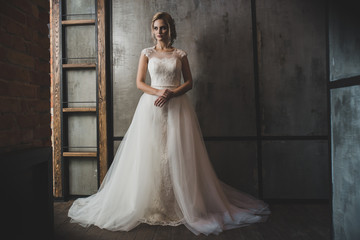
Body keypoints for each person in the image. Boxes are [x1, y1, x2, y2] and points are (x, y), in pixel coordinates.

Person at [68, 12, 270, 236]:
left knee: (176, 153)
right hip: (151, 108)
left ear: (170, 29)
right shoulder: (147, 53)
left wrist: (172, 94)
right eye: (155, 28)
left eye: (163, 28)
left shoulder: (180, 54)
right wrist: (159, 92)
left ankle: (178, 204)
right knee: (151, 154)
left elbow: (190, 82)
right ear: (152, 30)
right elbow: (139, 82)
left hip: (177, 108)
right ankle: (152, 204)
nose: (159, 32)